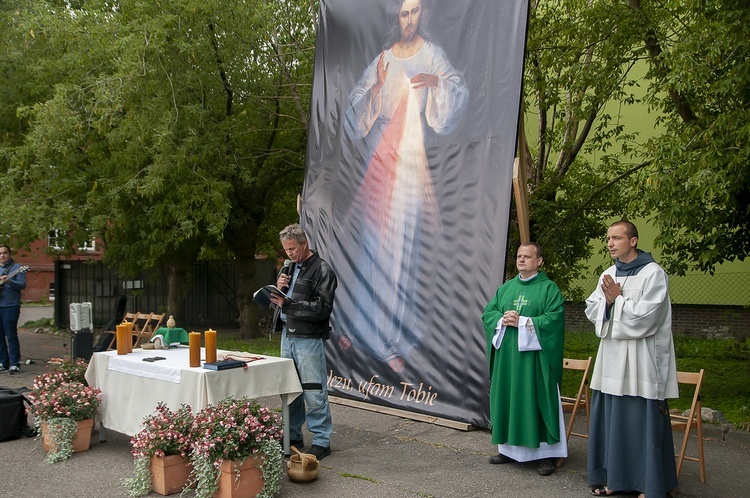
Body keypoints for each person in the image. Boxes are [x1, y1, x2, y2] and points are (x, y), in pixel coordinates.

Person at [337, 0, 469, 372]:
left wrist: (438, 82)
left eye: (415, 11)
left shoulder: (432, 55)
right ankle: (361, 328)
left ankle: (391, 338)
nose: (409, 19)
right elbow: (354, 114)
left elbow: (457, 93)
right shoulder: (384, 58)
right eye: (403, 12)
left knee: (401, 249)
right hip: (380, 162)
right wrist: (377, 87)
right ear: (397, 17)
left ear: (422, 14)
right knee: (371, 247)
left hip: (411, 163)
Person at [585, 220, 678, 497]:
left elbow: (650, 317)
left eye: (616, 237)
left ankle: (648, 485)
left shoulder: (653, 273)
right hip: (612, 359)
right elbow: (592, 307)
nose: (610, 243)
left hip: (642, 361)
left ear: (633, 241)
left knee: (641, 423)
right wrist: (609, 301)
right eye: (608, 238)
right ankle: (615, 480)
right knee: (613, 421)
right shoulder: (609, 273)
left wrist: (619, 301)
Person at [482, 243, 566, 476]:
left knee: (536, 399)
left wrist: (524, 321)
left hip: (535, 362)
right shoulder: (505, 289)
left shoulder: (549, 289)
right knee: (508, 399)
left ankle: (545, 455)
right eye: (519, 256)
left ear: (539, 261)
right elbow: (488, 313)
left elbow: (554, 320)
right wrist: (502, 318)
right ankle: (508, 450)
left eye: (527, 256)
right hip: (508, 360)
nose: (521, 260)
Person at [270, 224, 338, 460]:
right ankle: (292, 435)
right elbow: (276, 305)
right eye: (285, 249)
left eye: (292, 248)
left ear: (304, 244)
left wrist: (287, 304)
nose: (288, 253)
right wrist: (277, 290)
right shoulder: (287, 269)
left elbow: (321, 309)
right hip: (287, 336)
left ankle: (321, 440)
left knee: (313, 389)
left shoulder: (322, 270)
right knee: (290, 389)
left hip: (308, 339)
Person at [0, 245, 27, 374]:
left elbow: (22, 284)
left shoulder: (17, 268)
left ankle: (14, 363)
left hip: (10, 305)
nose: (2, 256)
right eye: (0, 253)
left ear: (9, 254)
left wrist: (9, 282)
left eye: (5, 253)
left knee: (11, 334)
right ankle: (3, 362)